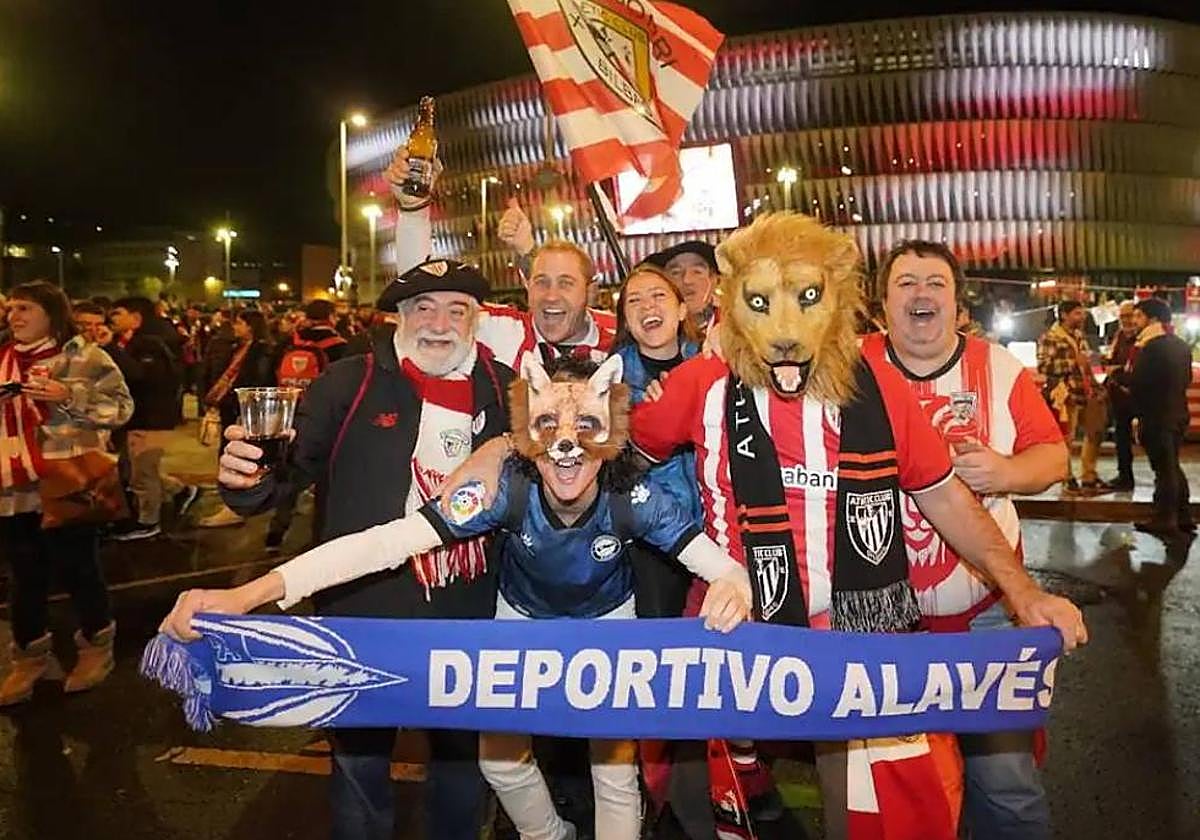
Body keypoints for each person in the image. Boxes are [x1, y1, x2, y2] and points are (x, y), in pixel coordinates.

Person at [162, 353, 752, 840]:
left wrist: (734, 587)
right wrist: (247, 595)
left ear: (611, 434)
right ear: (525, 433)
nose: (567, 449)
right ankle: (548, 836)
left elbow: (722, 566)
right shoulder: (499, 490)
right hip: (520, 624)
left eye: (586, 429)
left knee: (614, 770)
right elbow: (382, 544)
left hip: (607, 627)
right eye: (549, 428)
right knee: (498, 759)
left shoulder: (636, 497)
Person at [211, 260, 515, 840]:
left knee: (458, 763)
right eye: (423, 308)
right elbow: (281, 479)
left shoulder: (501, 387)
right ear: (399, 317)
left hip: (466, 613)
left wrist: (503, 444)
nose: (439, 324)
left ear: (477, 320)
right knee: (358, 765)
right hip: (360, 608)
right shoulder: (348, 382)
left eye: (457, 310)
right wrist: (240, 477)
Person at [862, 239, 1069, 840]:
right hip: (884, 622)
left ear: (957, 305)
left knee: (1005, 786)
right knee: (902, 787)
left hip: (987, 617)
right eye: (905, 283)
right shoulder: (848, 365)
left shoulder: (998, 367)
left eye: (935, 283)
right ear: (881, 305)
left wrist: (1005, 471)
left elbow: (1053, 456)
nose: (921, 294)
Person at [0, 281, 133, 705]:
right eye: (11, 309)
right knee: (24, 576)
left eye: (25, 308)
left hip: (69, 480)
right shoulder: (2, 357)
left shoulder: (84, 357)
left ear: (50, 314)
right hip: (11, 484)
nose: (14, 316)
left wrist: (69, 395)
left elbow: (122, 408)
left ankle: (96, 647)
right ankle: (29, 657)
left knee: (79, 570)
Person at [386, 147, 616, 369]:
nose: (551, 296)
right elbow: (421, 295)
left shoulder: (624, 342)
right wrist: (413, 208)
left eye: (566, 283)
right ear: (527, 286)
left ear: (591, 291)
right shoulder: (501, 330)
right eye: (541, 282)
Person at [107, 296, 192, 540]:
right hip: (137, 417)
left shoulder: (149, 345)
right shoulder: (131, 342)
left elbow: (139, 376)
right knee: (139, 470)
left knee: (143, 473)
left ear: (135, 318)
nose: (112, 319)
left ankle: (149, 522)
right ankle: (180, 489)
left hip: (151, 417)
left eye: (118, 313)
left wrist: (111, 349)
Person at [197, 309, 276, 528]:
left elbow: (257, 382)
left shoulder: (261, 351)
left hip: (243, 412)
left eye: (240, 323)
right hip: (231, 408)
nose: (235, 327)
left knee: (238, 457)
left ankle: (235, 508)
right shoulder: (238, 347)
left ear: (251, 326)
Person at [1129, 297, 1194, 537]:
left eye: (1138, 316)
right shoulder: (1180, 345)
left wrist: (1121, 382)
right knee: (1172, 466)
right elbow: (1186, 379)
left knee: (1164, 470)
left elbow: (1140, 383)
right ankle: (1183, 516)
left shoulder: (1151, 347)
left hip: (1157, 415)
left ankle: (1165, 518)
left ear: (1152, 319)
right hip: (1177, 413)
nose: (1134, 321)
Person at [1036, 300, 1104, 492]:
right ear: (1064, 315)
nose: (1081, 317)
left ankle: (1089, 474)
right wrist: (1073, 362)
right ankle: (1067, 477)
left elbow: (1087, 363)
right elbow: (1044, 366)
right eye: (1077, 313)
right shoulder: (1050, 337)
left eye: (1082, 313)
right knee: (1067, 437)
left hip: (1085, 390)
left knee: (1094, 432)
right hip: (1064, 394)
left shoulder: (1078, 335)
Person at [644, 240, 720, 334]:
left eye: (697, 272)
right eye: (676, 273)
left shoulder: (733, 326)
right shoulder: (653, 330)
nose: (687, 280)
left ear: (713, 279)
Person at [1104, 301, 1139, 491]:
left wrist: (1117, 371)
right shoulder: (1118, 337)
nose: (1126, 320)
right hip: (1119, 397)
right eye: (1122, 316)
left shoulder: (1143, 339)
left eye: (1129, 316)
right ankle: (1125, 476)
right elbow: (1111, 361)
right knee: (1121, 438)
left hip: (1139, 396)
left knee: (1153, 441)